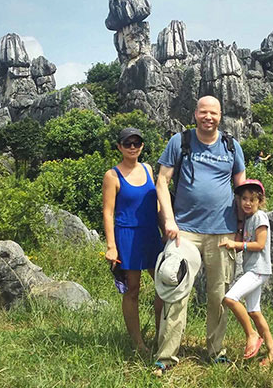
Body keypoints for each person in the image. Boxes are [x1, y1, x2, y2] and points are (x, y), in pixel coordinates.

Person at [152, 95, 246, 375]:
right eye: (204, 112)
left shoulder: (231, 146)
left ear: (220, 116)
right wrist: (168, 219)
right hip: (185, 232)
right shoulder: (180, 142)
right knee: (175, 285)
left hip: (223, 231)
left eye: (214, 113)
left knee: (219, 295)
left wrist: (243, 229)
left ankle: (216, 351)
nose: (209, 117)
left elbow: (242, 188)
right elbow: (162, 181)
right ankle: (165, 357)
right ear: (195, 114)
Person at [102, 127, 164, 356]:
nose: (132, 147)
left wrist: (165, 227)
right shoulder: (112, 175)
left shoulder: (148, 169)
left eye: (136, 143)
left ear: (142, 146)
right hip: (127, 236)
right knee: (132, 290)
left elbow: (156, 203)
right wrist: (111, 246)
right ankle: (138, 343)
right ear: (119, 147)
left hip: (150, 235)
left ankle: (162, 335)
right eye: (127, 143)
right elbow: (108, 212)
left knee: (164, 285)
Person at [220, 179, 273, 367]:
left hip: (258, 269)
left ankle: (252, 334)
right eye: (244, 199)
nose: (247, 203)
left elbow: (260, 244)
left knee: (230, 298)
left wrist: (236, 244)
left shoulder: (260, 217)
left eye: (252, 200)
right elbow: (241, 245)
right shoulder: (246, 220)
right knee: (254, 311)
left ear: (259, 201)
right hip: (253, 269)